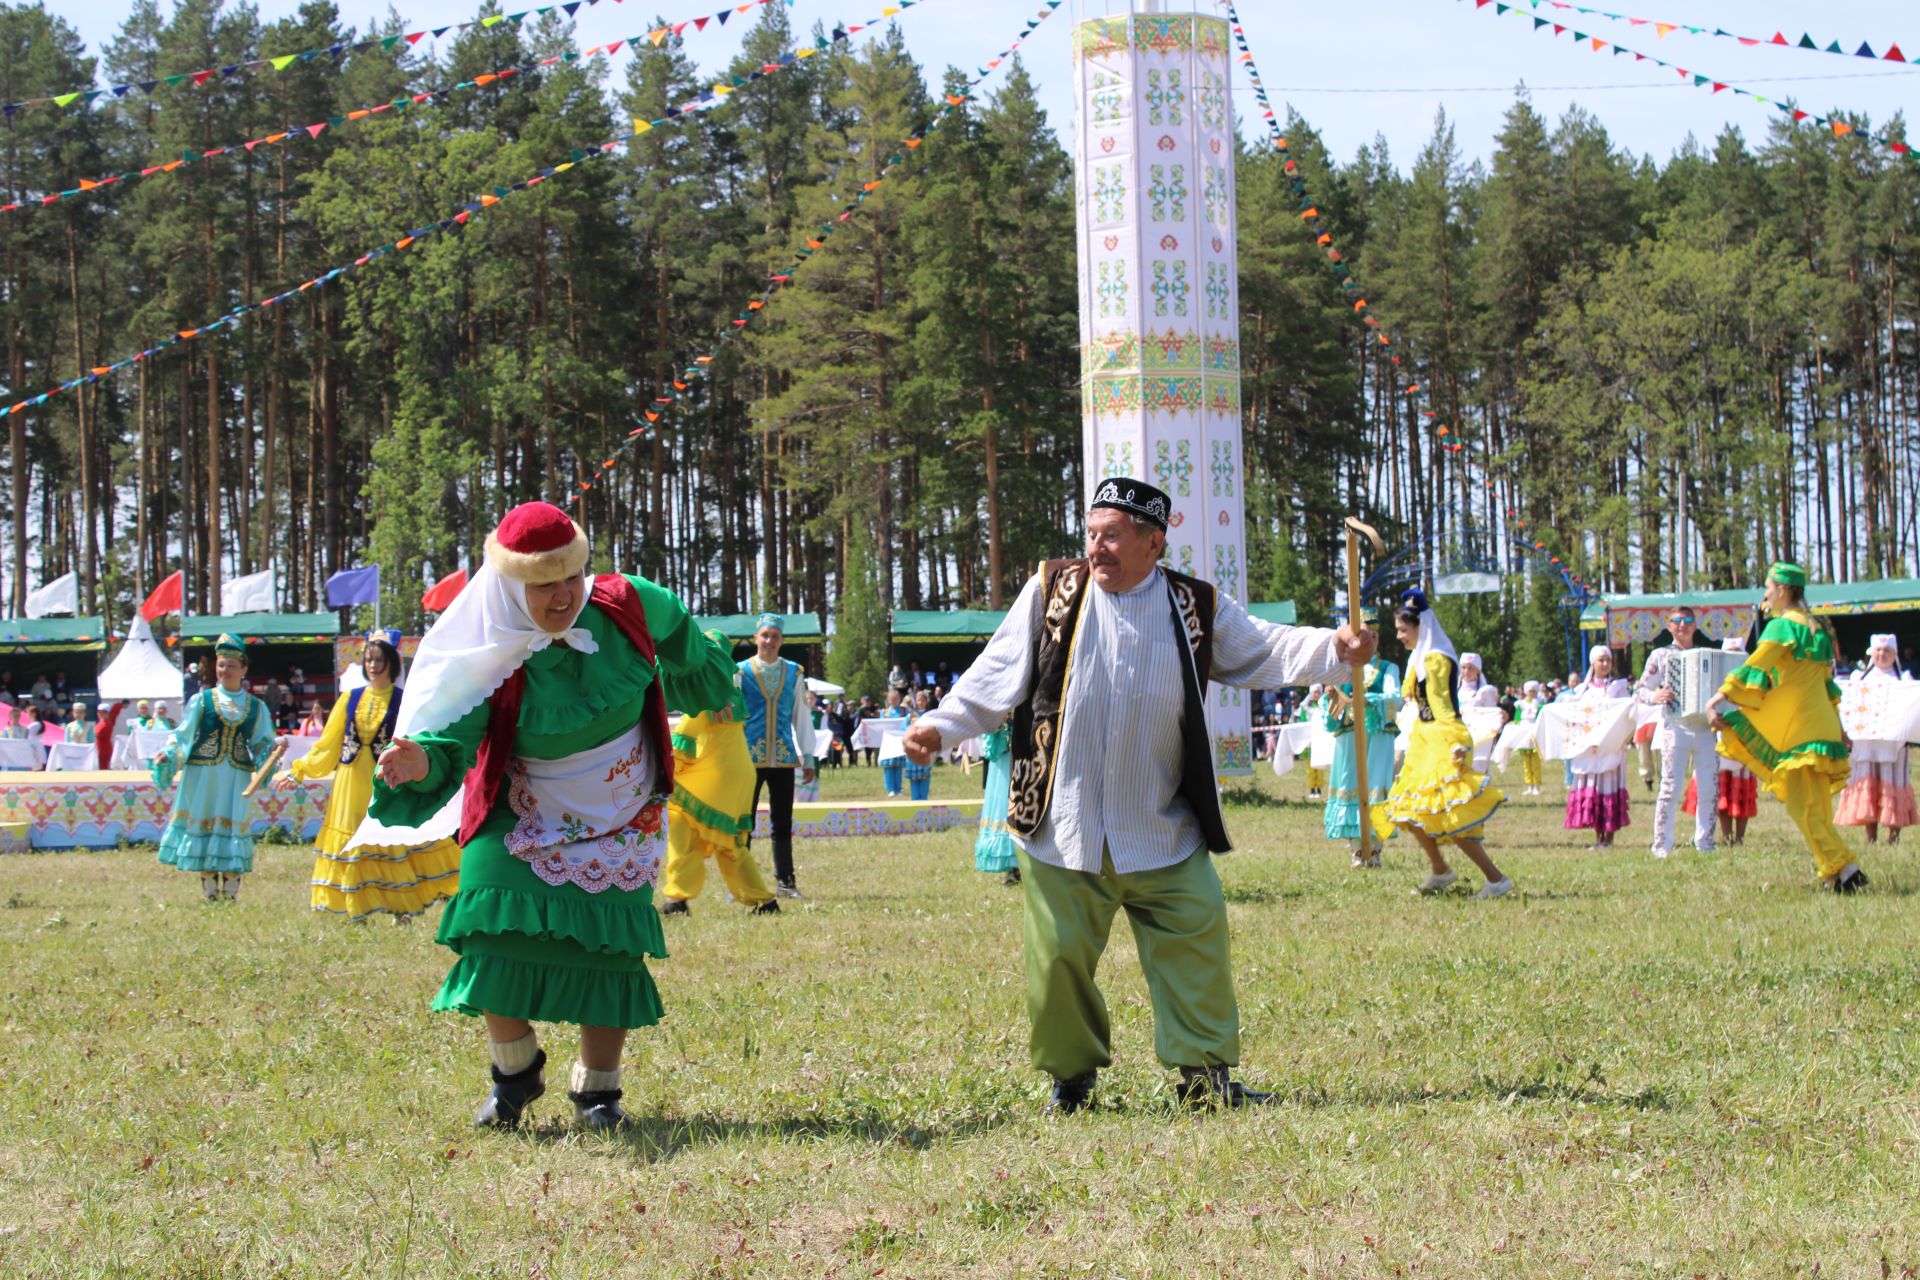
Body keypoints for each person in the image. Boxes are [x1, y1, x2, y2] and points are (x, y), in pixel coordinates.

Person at [901, 477, 1376, 1112]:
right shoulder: (1051, 591)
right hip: (1061, 825)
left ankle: (1205, 1080)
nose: (1098, 548)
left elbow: (1268, 647)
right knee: (1059, 962)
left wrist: (1333, 647)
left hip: (1162, 826)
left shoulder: (1194, 605)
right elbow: (997, 670)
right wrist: (940, 726)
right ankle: (1070, 1085)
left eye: (1113, 536)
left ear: (1154, 544)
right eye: (1092, 534)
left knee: (1195, 944)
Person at [364, 501, 738, 1130]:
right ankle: (515, 1073)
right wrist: (417, 763)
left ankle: (599, 1091)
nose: (563, 596)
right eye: (543, 585)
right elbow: (451, 738)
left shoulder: (629, 603)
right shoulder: (488, 645)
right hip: (524, 806)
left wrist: (698, 664)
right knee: (485, 923)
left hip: (623, 805)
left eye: (571, 577)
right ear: (511, 585)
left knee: (608, 946)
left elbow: (687, 645)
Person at [275, 631, 461, 923]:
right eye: (369, 659)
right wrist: (299, 770)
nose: (373, 665)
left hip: (388, 779)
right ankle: (356, 907)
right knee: (354, 839)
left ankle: (403, 908)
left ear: (391, 663)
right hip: (350, 781)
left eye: (379, 660)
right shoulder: (350, 698)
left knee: (392, 836)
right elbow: (328, 742)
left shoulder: (404, 700)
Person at [1708, 563, 1863, 892]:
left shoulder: (1781, 627)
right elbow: (1827, 686)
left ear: (1783, 590)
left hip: (1801, 725)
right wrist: (1839, 728)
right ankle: (1833, 873)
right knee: (1814, 804)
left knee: (1800, 803)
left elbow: (1755, 664)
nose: (1765, 594)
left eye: (1768, 587)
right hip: (1819, 721)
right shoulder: (1817, 629)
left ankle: (1847, 869)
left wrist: (1718, 698)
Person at [1373, 590, 1511, 898]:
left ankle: (1496, 879)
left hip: (1444, 740)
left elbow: (1444, 706)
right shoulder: (1421, 658)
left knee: (1450, 815)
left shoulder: (1435, 660)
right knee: (1410, 809)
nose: (1399, 636)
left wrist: (1455, 745)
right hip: (1424, 739)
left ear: (1421, 628)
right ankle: (1440, 869)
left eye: (1403, 630)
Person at [658, 631, 781, 918]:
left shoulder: (704, 689)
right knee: (727, 841)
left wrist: (667, 775)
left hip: (716, 774)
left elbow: (685, 738)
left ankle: (678, 899)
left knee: (681, 824)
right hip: (735, 772)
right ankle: (764, 902)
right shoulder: (727, 689)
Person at [151, 634, 279, 903]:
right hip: (203, 774)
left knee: (232, 826)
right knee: (205, 826)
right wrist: (168, 753)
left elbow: (261, 742)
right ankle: (210, 892)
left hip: (235, 775)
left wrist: (270, 756)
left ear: (243, 669)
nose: (225, 670)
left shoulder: (256, 706)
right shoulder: (202, 700)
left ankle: (231, 892)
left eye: (231, 665)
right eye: (221, 665)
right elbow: (183, 735)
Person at [1637, 607, 1718, 858]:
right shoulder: (1660, 655)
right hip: (1676, 726)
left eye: (1687, 621)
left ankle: (1705, 842)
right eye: (1677, 621)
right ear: (1669, 626)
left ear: (1695, 625)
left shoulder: (1706, 654)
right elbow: (1640, 689)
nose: (1682, 625)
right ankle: (1661, 844)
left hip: (1705, 727)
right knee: (1670, 786)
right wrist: (1654, 695)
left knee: (1709, 787)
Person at [740, 614, 811, 898]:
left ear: (781, 640)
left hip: (782, 757)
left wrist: (809, 755)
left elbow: (801, 715)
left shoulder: (794, 672)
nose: (769, 641)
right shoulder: (740, 672)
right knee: (745, 822)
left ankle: (786, 882)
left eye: (775, 637)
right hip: (748, 759)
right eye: (765, 635)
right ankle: (741, 882)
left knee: (783, 822)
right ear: (756, 638)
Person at [1835, 632, 1916, 845]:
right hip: (1866, 746)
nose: (1882, 654)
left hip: (1893, 747)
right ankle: (1871, 838)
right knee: (1868, 789)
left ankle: (1893, 837)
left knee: (1892, 788)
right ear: (1872, 653)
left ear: (1894, 654)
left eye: (1887, 651)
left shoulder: (1904, 680)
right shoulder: (1858, 680)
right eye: (1879, 650)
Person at [1323, 647, 1400, 867]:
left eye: (1372, 637)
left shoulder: (1386, 669)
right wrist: (1331, 699)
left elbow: (1394, 698)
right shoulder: (1339, 670)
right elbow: (1330, 715)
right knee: (1350, 786)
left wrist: (1368, 700)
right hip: (1348, 736)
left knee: (1375, 786)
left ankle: (1374, 849)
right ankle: (1357, 849)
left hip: (1377, 736)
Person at [1684, 636, 1758, 845]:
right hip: (1718, 736)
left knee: (1741, 788)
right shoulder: (1713, 679)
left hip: (1743, 735)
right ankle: (1726, 837)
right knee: (1723, 788)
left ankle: (1740, 838)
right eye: (1730, 651)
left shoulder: (1751, 680)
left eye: (1738, 651)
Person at [1564, 645, 1634, 849]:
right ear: (1593, 663)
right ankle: (1598, 837)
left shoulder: (1618, 688)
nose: (1604, 664)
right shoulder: (1582, 691)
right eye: (1601, 660)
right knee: (1594, 789)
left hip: (1610, 747)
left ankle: (1609, 839)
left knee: (1609, 787)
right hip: (1590, 749)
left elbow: (1627, 712)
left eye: (1608, 661)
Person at [974, 722, 1019, 884]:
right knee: (1005, 803)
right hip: (1005, 753)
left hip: (1022, 749)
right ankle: (1012, 867)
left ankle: (1021, 865)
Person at [1295, 684, 1330, 801]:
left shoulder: (1323, 706)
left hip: (1320, 741)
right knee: (1309, 767)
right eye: (1314, 692)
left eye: (1318, 692)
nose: (1316, 695)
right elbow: (1302, 712)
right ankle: (1312, 788)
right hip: (1309, 742)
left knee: (1320, 765)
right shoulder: (1305, 708)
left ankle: (1319, 788)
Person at [1512, 681, 1546, 796]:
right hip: (1524, 734)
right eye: (1530, 691)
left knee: (1535, 762)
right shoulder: (1520, 705)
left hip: (1534, 735)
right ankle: (1529, 785)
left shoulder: (1539, 704)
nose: (1532, 693)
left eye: (1534, 691)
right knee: (1526, 762)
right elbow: (1517, 719)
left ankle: (1536, 785)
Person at [903, 688, 935, 801]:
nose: (919, 702)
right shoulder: (910, 716)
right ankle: (915, 801)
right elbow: (903, 730)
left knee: (924, 776)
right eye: (917, 700)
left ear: (926, 701)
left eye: (921, 700)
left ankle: (924, 800)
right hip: (913, 750)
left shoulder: (930, 715)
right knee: (914, 778)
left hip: (925, 749)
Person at [878, 690, 909, 796]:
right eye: (892, 699)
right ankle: (890, 788)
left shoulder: (904, 711)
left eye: (896, 698)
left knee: (899, 766)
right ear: (888, 700)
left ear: (899, 699)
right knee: (889, 766)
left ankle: (898, 788)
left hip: (900, 741)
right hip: (889, 742)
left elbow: (910, 721)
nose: (894, 700)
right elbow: (881, 725)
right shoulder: (884, 712)